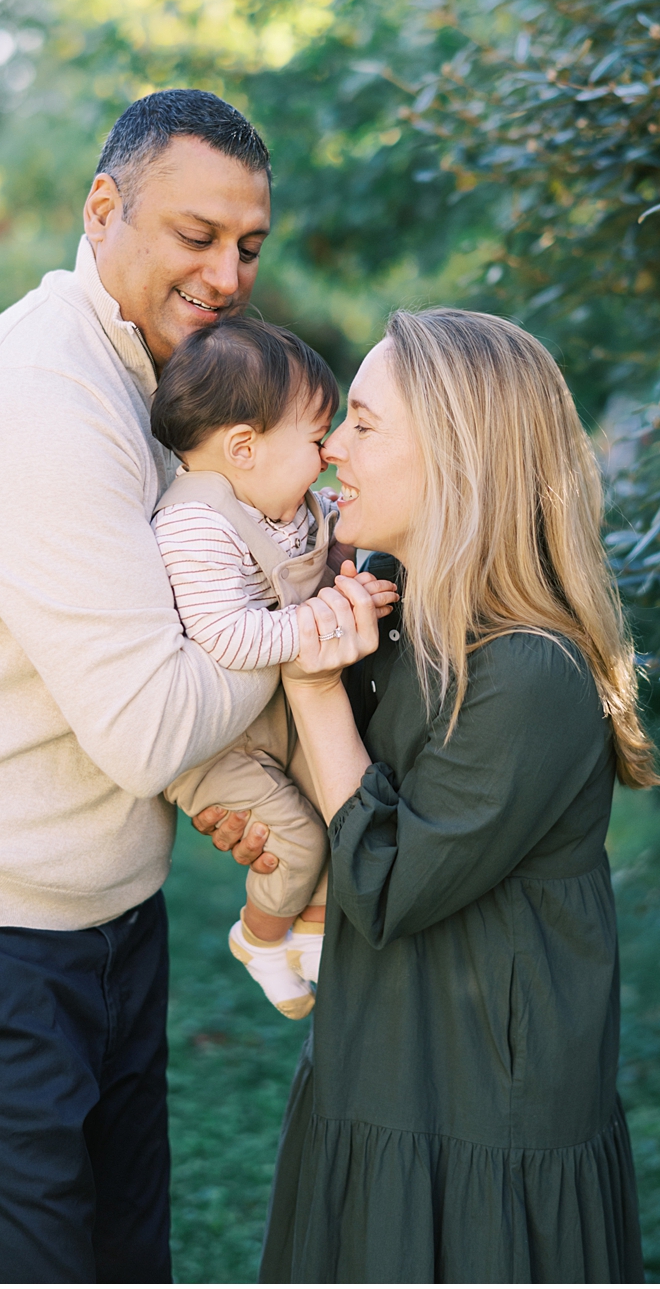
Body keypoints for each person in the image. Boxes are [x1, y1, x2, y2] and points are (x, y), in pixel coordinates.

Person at [0, 89, 289, 1285]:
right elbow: (149, 722)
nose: (227, 272)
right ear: (102, 207)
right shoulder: (43, 396)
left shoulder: (153, 382)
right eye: (195, 235)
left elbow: (170, 634)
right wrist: (303, 632)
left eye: (247, 245)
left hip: (100, 926)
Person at [256, 307, 660, 1285]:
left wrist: (312, 688)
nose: (331, 446)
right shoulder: (391, 617)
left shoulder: (529, 672)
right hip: (374, 1071)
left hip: (481, 1115)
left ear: (460, 460)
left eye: (362, 422)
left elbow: (388, 884)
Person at [150, 315, 398, 1019]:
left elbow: (327, 549)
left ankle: (315, 933)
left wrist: (353, 580)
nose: (327, 456)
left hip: (272, 712)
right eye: (316, 439)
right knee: (293, 838)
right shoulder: (196, 524)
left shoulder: (286, 505)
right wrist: (322, 619)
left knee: (332, 798)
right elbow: (228, 637)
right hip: (216, 742)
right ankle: (259, 938)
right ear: (244, 447)